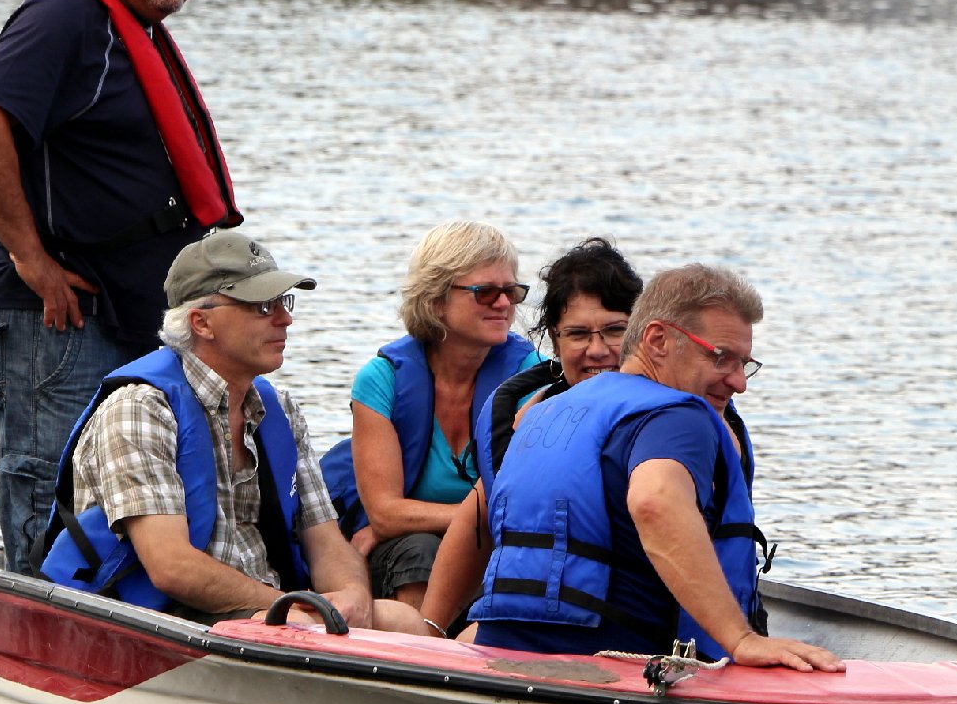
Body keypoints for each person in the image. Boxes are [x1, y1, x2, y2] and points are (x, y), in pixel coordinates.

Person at [0, 0, 242, 575]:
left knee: (120, 514)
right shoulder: (66, 17)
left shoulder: (128, 29)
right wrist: (31, 258)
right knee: (53, 518)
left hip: (120, 318)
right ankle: (31, 631)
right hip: (58, 324)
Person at [36, 231, 431, 635]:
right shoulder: (140, 409)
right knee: (312, 630)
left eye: (283, 302)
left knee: (405, 622)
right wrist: (290, 609)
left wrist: (352, 596)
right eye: (263, 307)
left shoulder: (281, 410)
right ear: (201, 322)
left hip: (268, 610)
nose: (285, 319)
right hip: (163, 621)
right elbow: (172, 568)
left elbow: (326, 541)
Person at [462, 264, 843, 672]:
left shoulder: (544, 411)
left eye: (744, 364)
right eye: (720, 357)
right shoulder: (678, 416)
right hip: (613, 661)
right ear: (658, 340)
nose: (739, 382)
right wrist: (741, 639)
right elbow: (655, 501)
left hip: (503, 650)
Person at [421, 237, 649, 636]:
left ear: (645, 334)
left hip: (633, 628)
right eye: (577, 334)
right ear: (555, 341)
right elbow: (477, 523)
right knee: (468, 638)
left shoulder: (669, 419)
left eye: (615, 330)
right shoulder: (531, 420)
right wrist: (430, 631)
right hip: (536, 621)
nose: (597, 350)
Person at [329, 223, 541, 611]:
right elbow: (385, 515)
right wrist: (475, 518)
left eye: (511, 292)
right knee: (421, 550)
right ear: (436, 299)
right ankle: (423, 643)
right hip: (411, 556)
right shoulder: (382, 379)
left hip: (495, 547)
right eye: (486, 292)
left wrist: (427, 518)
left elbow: (529, 507)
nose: (503, 304)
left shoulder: (534, 380)